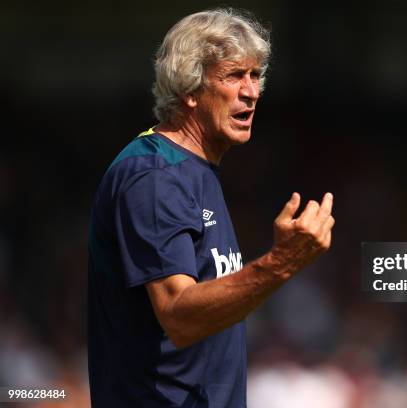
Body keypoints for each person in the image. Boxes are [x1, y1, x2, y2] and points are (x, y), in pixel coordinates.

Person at [87, 9, 335, 408]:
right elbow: (179, 315)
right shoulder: (153, 175)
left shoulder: (197, 171)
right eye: (234, 76)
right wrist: (280, 263)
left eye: (255, 76)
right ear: (190, 88)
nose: (252, 92)